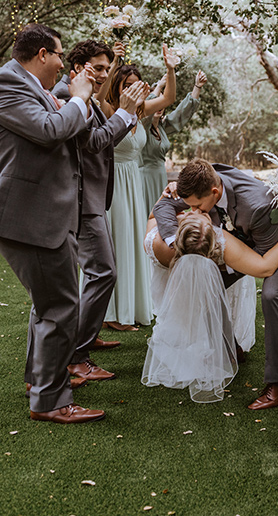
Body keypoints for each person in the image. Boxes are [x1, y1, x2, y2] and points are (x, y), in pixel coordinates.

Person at [0, 23, 104, 423]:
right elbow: (49, 132)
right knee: (61, 306)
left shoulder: (33, 87)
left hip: (44, 212)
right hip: (31, 215)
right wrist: (78, 100)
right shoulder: (8, 83)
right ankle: (51, 401)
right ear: (42, 53)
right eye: (59, 54)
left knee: (49, 304)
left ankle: (38, 381)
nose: (63, 63)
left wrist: (76, 104)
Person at [154, 158, 278, 410]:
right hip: (248, 246)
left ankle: (277, 384)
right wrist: (176, 239)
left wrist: (223, 256)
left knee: (271, 294)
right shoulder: (203, 181)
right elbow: (163, 206)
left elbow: (265, 262)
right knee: (204, 280)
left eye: (196, 206)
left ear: (215, 193)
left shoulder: (257, 205)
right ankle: (231, 349)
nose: (192, 211)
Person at [53, 39, 147, 380]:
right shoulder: (69, 97)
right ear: (77, 68)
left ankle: (83, 342)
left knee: (100, 273)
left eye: (108, 69)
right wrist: (125, 112)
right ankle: (76, 355)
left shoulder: (86, 98)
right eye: (99, 68)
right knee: (102, 272)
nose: (105, 75)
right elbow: (93, 143)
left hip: (90, 197)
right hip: (79, 199)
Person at [142, 210, 278, 402]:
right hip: (199, 275)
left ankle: (228, 346)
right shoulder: (224, 246)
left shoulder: (156, 244)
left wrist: (166, 198)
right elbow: (266, 267)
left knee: (199, 304)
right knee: (209, 295)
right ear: (214, 248)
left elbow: (152, 217)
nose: (197, 210)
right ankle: (227, 348)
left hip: (173, 294)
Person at [102, 47, 178, 330]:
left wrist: (170, 68)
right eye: (127, 85)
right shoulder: (109, 109)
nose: (133, 91)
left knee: (133, 242)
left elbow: (169, 97)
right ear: (117, 88)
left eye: (136, 85)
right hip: (114, 182)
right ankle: (111, 314)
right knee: (117, 242)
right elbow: (99, 97)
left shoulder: (142, 111)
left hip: (133, 180)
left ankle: (130, 307)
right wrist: (114, 64)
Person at [141, 70, 207, 215]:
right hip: (143, 180)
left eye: (160, 102)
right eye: (154, 102)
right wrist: (159, 86)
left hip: (160, 177)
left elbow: (182, 114)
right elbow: (146, 112)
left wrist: (197, 86)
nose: (158, 106)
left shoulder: (162, 127)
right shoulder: (141, 126)